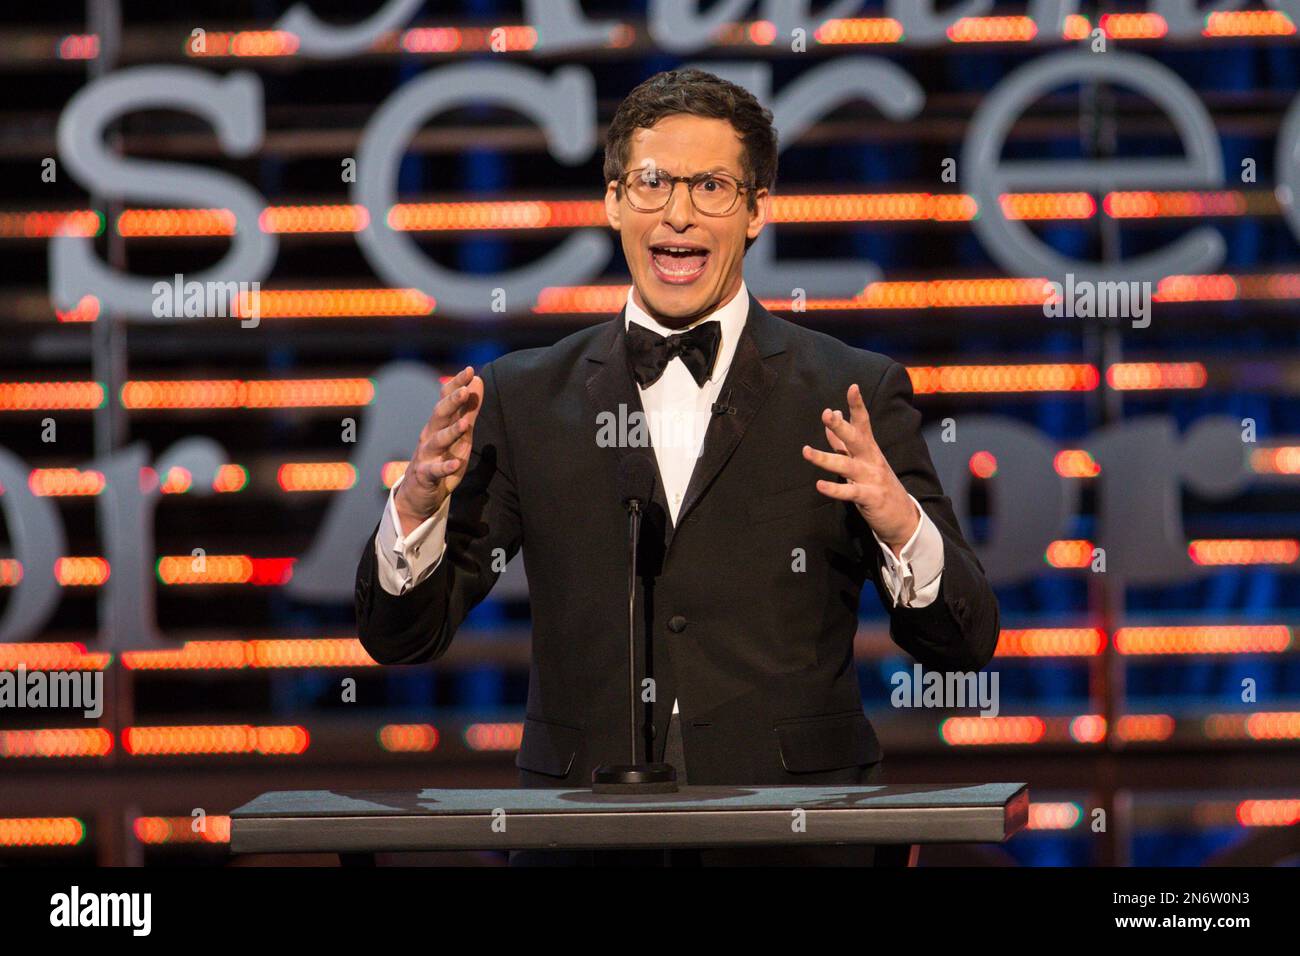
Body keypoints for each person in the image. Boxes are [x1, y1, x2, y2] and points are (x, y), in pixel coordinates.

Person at [354, 68, 999, 865]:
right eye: (653, 182)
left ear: (759, 208)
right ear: (613, 200)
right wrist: (415, 509)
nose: (679, 214)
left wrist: (902, 524)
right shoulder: (523, 397)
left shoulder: (846, 390)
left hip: (796, 833)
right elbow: (401, 641)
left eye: (713, 186)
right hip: (582, 838)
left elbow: (964, 644)